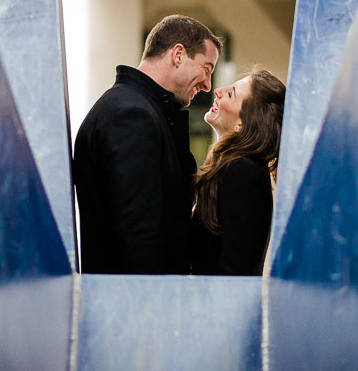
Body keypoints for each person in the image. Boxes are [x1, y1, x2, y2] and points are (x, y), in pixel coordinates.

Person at [73, 15, 222, 274]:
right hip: (136, 302)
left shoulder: (135, 108)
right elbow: (138, 231)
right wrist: (154, 308)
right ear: (178, 54)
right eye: (206, 69)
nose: (208, 84)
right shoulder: (131, 115)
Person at [189, 68, 286, 276]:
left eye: (231, 93)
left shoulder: (242, 171)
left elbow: (236, 269)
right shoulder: (233, 167)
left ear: (242, 124)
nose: (218, 91)